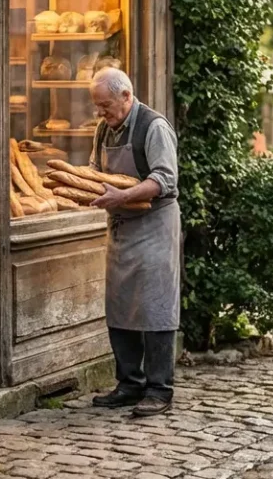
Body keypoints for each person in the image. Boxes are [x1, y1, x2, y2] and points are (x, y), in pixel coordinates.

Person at [87, 68, 182, 418]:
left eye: (106, 105)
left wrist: (123, 195)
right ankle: (129, 383)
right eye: (97, 106)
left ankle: (159, 389)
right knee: (120, 302)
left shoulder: (154, 127)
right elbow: (95, 169)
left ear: (127, 96)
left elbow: (165, 178)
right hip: (121, 225)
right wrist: (88, 189)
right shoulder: (103, 129)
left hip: (155, 223)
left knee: (156, 305)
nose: (101, 113)